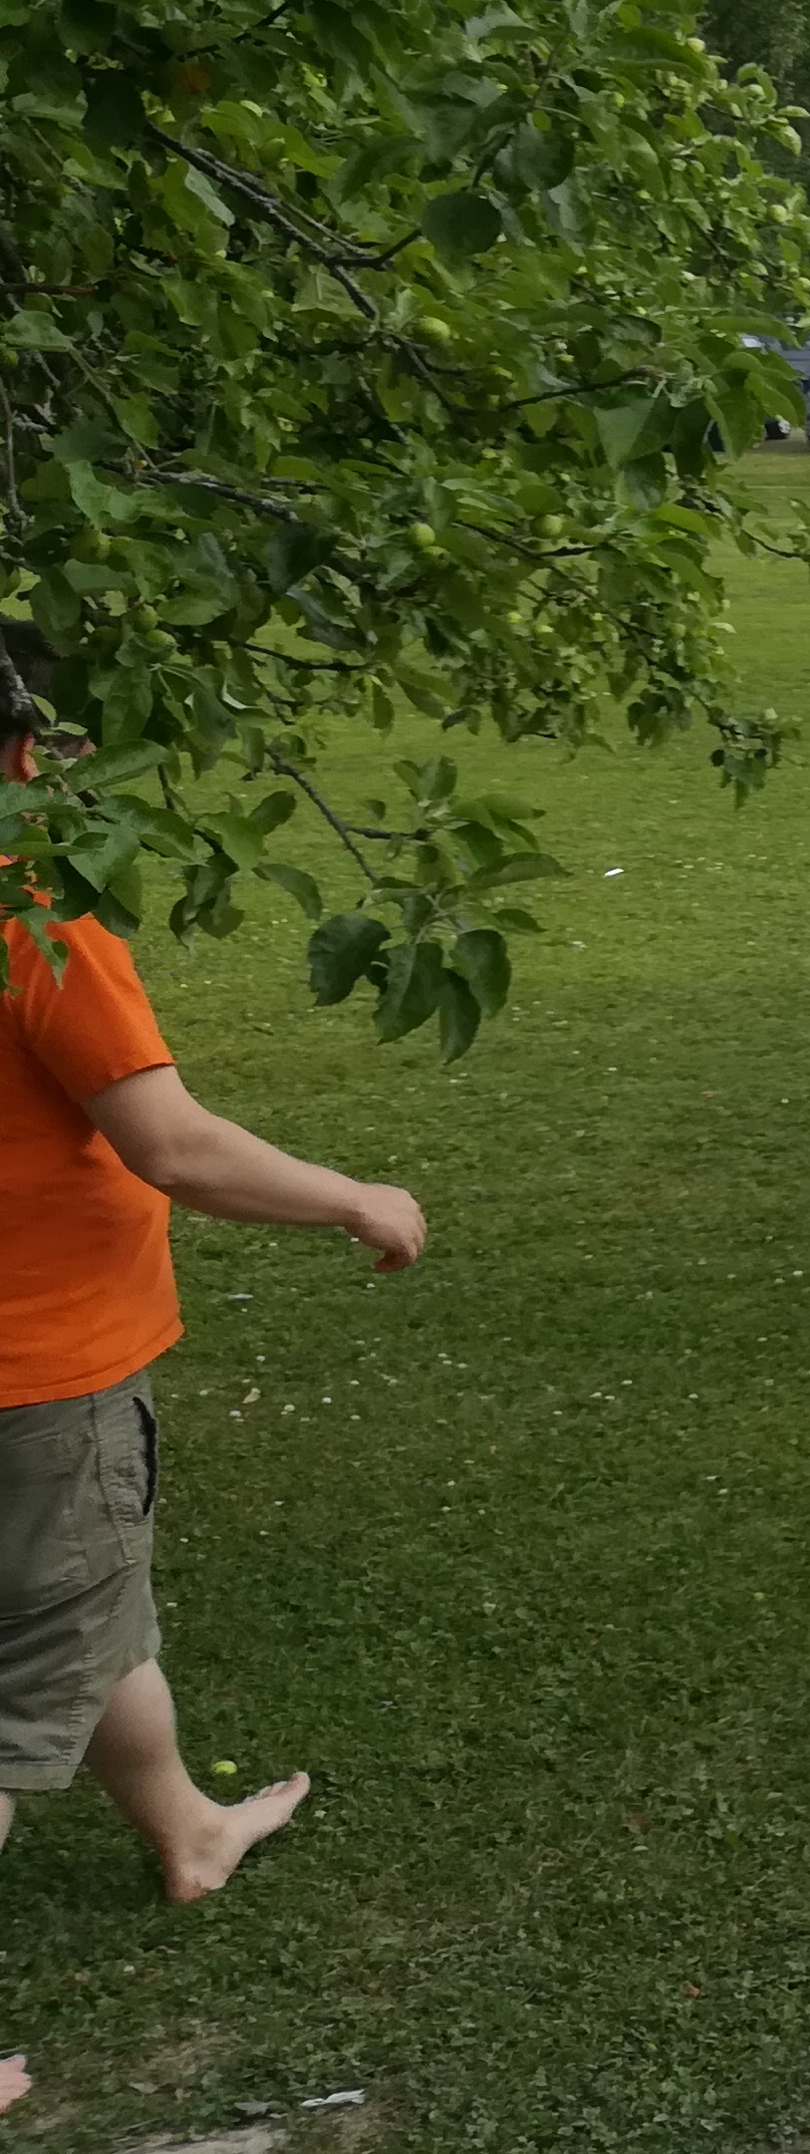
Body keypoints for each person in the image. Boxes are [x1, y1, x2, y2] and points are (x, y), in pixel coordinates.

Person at [0, 638, 428, 1913]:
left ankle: (188, 1831)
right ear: (29, 756)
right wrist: (355, 1198)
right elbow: (173, 1148)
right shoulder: (35, 916)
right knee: (25, 1682)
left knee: (86, 1611)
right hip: (37, 1377)